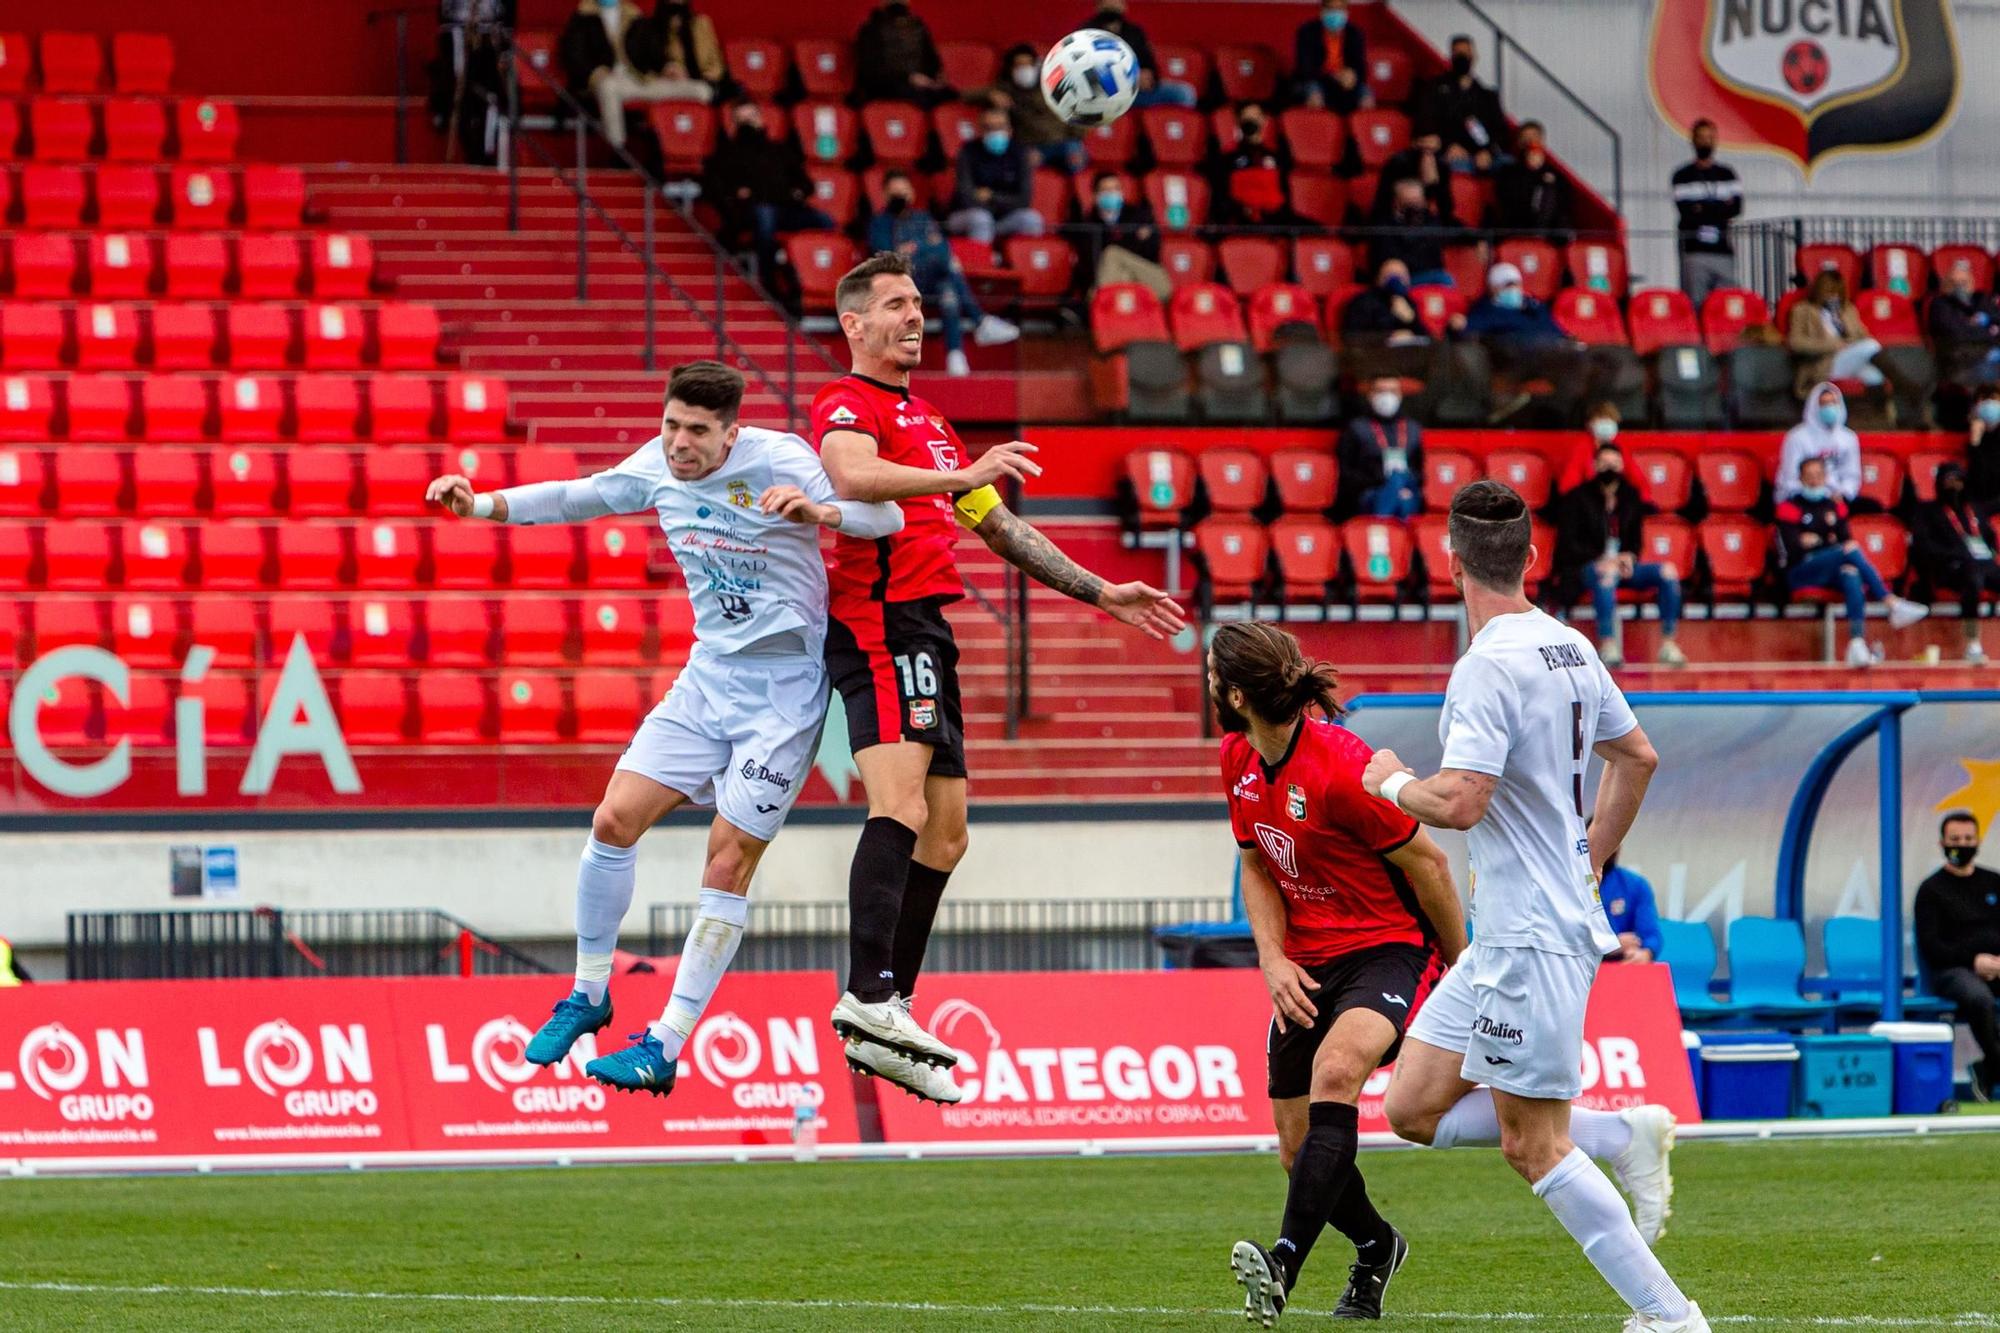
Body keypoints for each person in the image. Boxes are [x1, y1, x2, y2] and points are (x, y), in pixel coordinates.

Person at [424, 361, 905, 1095]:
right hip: (707, 679)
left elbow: (887, 516)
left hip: (781, 696)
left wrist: (822, 514)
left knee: (725, 862)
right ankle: (588, 994)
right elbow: (573, 497)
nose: (679, 443)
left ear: (731, 433)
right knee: (613, 819)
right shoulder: (656, 465)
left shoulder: (783, 461)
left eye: (697, 432)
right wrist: (481, 504)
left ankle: (665, 1042)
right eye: (672, 425)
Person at [813, 252, 1186, 1101]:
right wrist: (960, 474)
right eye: (896, 305)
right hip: (879, 619)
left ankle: (891, 1007)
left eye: (917, 304)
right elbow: (849, 475)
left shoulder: (934, 420)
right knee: (900, 806)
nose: (915, 317)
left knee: (946, 833)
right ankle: (867, 993)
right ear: (855, 324)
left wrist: (1101, 591)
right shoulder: (847, 403)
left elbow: (999, 525)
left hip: (928, 630)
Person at [1361, 480, 1706, 1332]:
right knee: (1411, 1106)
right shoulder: (1569, 645)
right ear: (1532, 558)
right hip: (1511, 932)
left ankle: (1671, 1316)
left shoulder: (1488, 663)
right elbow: (1640, 757)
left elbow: (1463, 799)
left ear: (1450, 561)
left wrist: (1391, 781)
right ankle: (1622, 1137)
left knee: (1532, 1145)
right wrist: (1586, 858)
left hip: (1528, 935)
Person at [1212, 622, 1467, 1324]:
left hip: (1387, 947)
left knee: (1336, 1073)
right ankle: (1378, 1245)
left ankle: (1283, 1262)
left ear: (1234, 693)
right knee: (1297, 1151)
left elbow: (1433, 865)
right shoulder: (1235, 755)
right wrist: (1271, 956)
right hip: (1305, 961)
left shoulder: (1342, 766)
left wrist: (1458, 964)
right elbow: (1256, 862)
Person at [1777, 456, 1929, 668]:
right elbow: (1795, 547)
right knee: (1847, 552)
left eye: (1818, 475)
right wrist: (1826, 541)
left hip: (1830, 568)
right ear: (1800, 478)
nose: (1814, 481)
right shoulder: (1789, 507)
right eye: (1809, 476)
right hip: (1800, 571)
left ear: (1825, 477)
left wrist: (1816, 541)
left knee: (1850, 572)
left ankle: (1857, 642)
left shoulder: (1835, 506)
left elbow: (1842, 537)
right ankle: (1890, 601)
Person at [866, 170, 1018, 378]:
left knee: (948, 291)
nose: (901, 197)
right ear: (885, 195)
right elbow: (888, 257)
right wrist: (924, 248)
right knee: (946, 265)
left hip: (929, 279)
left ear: (911, 193)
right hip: (901, 282)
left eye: (904, 191)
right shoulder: (879, 223)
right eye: (895, 193)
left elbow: (943, 248)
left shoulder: (922, 217)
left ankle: (955, 355)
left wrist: (915, 248)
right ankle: (980, 322)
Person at [1553, 443, 1687, 669]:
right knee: (1606, 574)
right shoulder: (1577, 498)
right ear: (1595, 466)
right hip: (1585, 567)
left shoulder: (1631, 496)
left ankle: (1668, 643)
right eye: (1604, 464)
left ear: (1622, 466)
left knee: (1668, 571)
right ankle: (1609, 645)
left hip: (1623, 566)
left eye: (1614, 464)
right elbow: (1569, 545)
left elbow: (1636, 541)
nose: (1609, 468)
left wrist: (1629, 557)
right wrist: (1603, 559)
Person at [1913, 810, 2000, 1103]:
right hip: (1952, 971)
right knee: (1979, 999)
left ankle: (1989, 1068)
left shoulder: (1994, 882)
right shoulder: (1931, 890)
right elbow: (1932, 947)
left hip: (1997, 968)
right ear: (1942, 843)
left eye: (1968, 839)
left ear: (1978, 841)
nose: (1962, 845)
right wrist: (1974, 961)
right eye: (1955, 839)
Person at [558, 0, 713, 151]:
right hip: (609, 82)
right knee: (608, 87)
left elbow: (653, 51)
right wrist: (596, 73)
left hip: (642, 80)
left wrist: (668, 67)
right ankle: (618, 150)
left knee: (702, 91)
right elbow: (574, 56)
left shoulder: (635, 17)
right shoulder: (582, 18)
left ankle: (691, 152)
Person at [705, 101, 832, 276]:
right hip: (749, 213)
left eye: (751, 117)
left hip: (787, 209)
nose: (748, 122)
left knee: (825, 221)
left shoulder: (779, 150)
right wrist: (740, 196)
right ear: (734, 123)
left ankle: (819, 276)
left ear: (761, 118)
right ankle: (767, 278)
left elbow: (806, 185)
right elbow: (720, 190)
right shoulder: (727, 153)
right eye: (743, 119)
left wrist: (797, 192)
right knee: (765, 215)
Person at [1908, 461, 2000, 664]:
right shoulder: (1928, 512)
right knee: (1972, 579)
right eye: (1949, 480)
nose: (1954, 485)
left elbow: (1989, 538)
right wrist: (1955, 553)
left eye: (1958, 480)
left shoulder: (1974, 509)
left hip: (1984, 563)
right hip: (1952, 567)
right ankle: (1972, 642)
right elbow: (1924, 546)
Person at [948, 106, 1046, 246]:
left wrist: (992, 197)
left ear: (1010, 130)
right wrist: (1003, 203)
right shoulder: (967, 152)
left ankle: (1022, 265)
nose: (995, 132)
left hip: (1003, 218)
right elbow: (966, 197)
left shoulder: (1019, 153)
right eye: (989, 128)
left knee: (1031, 219)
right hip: (966, 215)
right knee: (982, 219)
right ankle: (981, 263)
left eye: (1000, 127)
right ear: (980, 130)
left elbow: (1024, 200)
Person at [1671, 119, 1741, 303]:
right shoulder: (1682, 175)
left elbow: (1736, 208)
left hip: (1722, 249)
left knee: (1725, 302)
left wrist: (1702, 207)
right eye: (1701, 137)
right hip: (1694, 250)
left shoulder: (1727, 174)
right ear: (1693, 140)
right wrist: (1719, 206)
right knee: (1696, 302)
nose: (1705, 142)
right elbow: (1686, 211)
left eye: (1710, 137)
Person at [1335, 375, 1424, 519]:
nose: (1387, 396)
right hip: (1369, 492)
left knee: (1401, 488)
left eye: (1392, 391)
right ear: (1370, 395)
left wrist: (1400, 482)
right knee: (1399, 493)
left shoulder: (1412, 429)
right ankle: (1393, 530)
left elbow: (1420, 471)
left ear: (1400, 395)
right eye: (1380, 391)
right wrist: (1382, 480)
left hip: (1407, 490)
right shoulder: (1356, 429)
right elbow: (1346, 473)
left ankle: (1383, 522)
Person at [1415, 34, 1506, 172]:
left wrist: (1487, 152)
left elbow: (1500, 131)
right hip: (1451, 153)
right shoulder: (1434, 89)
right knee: (1457, 166)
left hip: (1483, 154)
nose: (1462, 57)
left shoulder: (1488, 96)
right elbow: (1427, 123)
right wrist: (1448, 145)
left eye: (1466, 53)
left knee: (1509, 165)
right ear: (1451, 56)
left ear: (1474, 56)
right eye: (1457, 53)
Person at [990, 45, 1086, 176]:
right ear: (1011, 69)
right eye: (1019, 65)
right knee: (1024, 163)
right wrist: (991, 94)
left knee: (1076, 160)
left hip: (1062, 142)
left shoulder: (1052, 84)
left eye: (1029, 64)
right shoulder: (1006, 89)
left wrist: (1077, 134)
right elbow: (974, 94)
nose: (1025, 69)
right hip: (1031, 145)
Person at [1787, 269, 1884, 399]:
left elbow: (1864, 335)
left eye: (1838, 293)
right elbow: (1795, 343)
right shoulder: (1803, 310)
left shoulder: (1848, 310)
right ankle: (1907, 387)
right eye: (1829, 292)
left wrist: (1850, 341)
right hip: (1823, 364)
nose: (1834, 296)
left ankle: (1873, 416)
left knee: (1875, 377)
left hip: (1851, 357)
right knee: (1871, 346)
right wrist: (1833, 345)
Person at [1075, 170, 1171, 300]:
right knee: (1116, 264)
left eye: (1116, 188)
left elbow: (1152, 251)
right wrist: (1134, 240)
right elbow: (1092, 261)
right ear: (1096, 195)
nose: (1112, 193)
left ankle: (1097, 301)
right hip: (1121, 282)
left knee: (1112, 253)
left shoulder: (1140, 215)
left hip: (1149, 278)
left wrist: (1118, 247)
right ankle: (1103, 301)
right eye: (1106, 190)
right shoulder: (1088, 223)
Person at [1087, 0, 1197, 108]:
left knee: (1184, 93)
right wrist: (1129, 78)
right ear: (1098, 6)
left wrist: (1148, 77)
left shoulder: (1134, 32)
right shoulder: (1086, 33)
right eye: (1108, 3)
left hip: (1135, 93)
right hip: (1104, 96)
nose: (1113, 4)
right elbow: (1085, 72)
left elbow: (1150, 65)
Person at [1776, 382, 1862, 503]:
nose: (1830, 408)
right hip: (1803, 497)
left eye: (1833, 403)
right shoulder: (1796, 437)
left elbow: (1852, 475)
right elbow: (1789, 479)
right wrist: (1821, 494)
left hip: (1838, 498)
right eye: (1824, 404)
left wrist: (1843, 493)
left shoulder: (1849, 438)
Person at [1214, 104, 1298, 227]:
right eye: (1246, 117)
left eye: (1255, 117)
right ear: (1238, 121)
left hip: (1275, 220)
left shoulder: (1277, 157)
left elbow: (1284, 195)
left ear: (1264, 120)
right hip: (1241, 222)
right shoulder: (1227, 158)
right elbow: (1221, 198)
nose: (1251, 121)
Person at [853, 0, 949, 106]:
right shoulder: (871, 29)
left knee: (947, 96)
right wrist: (909, 78)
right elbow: (871, 71)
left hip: (922, 85)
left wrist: (937, 75)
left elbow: (932, 58)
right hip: (886, 87)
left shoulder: (918, 26)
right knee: (924, 98)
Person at [1368, 177, 1458, 288]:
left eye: (1418, 202)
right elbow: (1386, 259)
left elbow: (1434, 256)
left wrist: (1477, 241)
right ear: (1397, 202)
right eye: (1409, 202)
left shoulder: (1431, 222)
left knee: (1445, 280)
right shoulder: (1384, 225)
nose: (1415, 208)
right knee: (1394, 272)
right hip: (1397, 278)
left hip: (1428, 276)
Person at [1491, 121, 1571, 237]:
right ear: (1519, 142)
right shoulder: (1508, 172)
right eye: (1526, 138)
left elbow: (1563, 201)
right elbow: (1508, 201)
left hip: (1548, 229)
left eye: (1534, 137)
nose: (1530, 142)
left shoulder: (1554, 174)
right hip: (1517, 226)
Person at [1928, 258, 2000, 387]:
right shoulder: (1940, 304)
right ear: (1945, 285)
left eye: (1963, 282)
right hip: (1961, 360)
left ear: (1971, 282)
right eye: (1954, 283)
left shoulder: (1982, 299)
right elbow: (1956, 333)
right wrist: (1987, 330)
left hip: (1990, 354)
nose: (1959, 287)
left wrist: (1974, 325)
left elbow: (1996, 320)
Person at [1597, 835, 1663, 965]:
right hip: (1577, 969)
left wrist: (1646, 953)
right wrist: (1609, 945)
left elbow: (1650, 934)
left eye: (1615, 841)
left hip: (1620, 967)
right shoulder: (1567, 885)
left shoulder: (1635, 884)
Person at [1291, 0, 1367, 113]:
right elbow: (1305, 68)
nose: (1335, 13)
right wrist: (1333, 75)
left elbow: (1361, 67)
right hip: (1317, 80)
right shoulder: (1307, 32)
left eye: (1340, 9)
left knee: (1366, 97)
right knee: (1314, 96)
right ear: (1322, 11)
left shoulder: (1354, 33)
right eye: (1331, 9)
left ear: (1346, 11)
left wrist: (1352, 75)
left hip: (1345, 82)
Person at [1970, 384, 2000, 516]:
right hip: (1984, 502)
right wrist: (1975, 442)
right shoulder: (1975, 440)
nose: (1988, 404)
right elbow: (1980, 481)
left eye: (1993, 399)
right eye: (1983, 399)